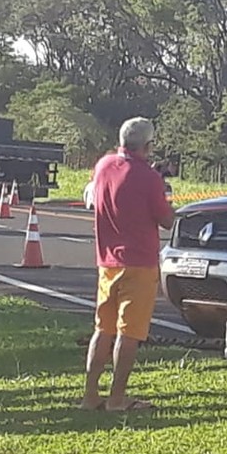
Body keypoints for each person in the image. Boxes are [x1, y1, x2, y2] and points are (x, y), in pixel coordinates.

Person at [81, 117, 174, 412]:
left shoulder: (104, 165)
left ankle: (90, 395)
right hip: (139, 262)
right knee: (129, 332)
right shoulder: (149, 178)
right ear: (148, 146)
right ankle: (117, 398)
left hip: (107, 261)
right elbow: (167, 220)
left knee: (103, 329)